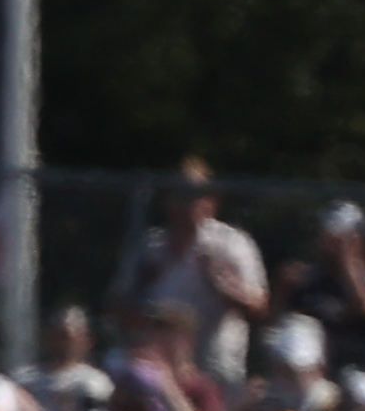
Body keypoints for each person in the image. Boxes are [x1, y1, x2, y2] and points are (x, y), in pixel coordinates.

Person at [106, 160, 267, 381]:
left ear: (212, 201)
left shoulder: (231, 244)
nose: (188, 203)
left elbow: (259, 306)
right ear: (167, 201)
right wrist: (142, 285)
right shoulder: (151, 247)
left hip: (214, 364)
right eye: (179, 195)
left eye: (196, 195)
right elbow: (115, 307)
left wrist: (222, 285)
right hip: (159, 367)